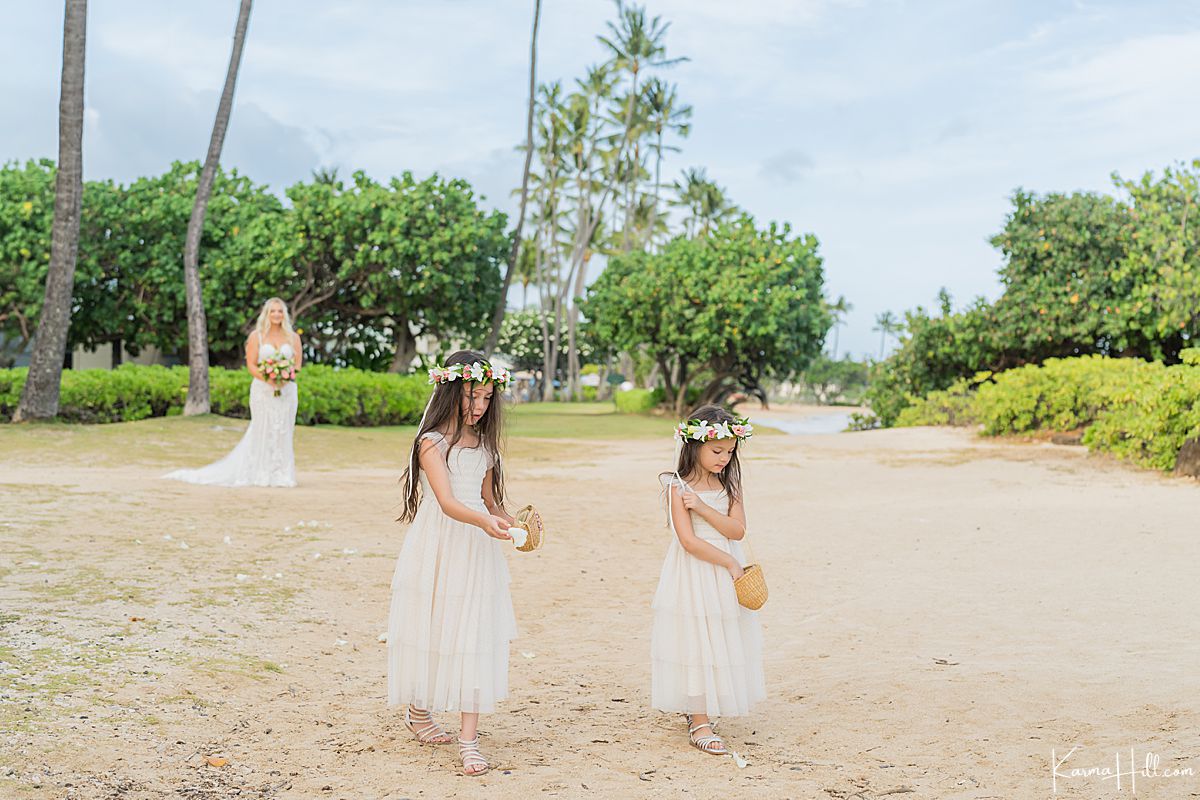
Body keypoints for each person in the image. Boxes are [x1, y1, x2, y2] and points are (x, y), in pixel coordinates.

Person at [387, 350, 517, 776]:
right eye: (470, 397)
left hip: (477, 549)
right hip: (441, 543)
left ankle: (469, 740)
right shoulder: (432, 442)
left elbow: (489, 500)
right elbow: (447, 501)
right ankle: (419, 712)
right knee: (437, 623)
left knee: (473, 631)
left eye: (485, 398)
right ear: (449, 392)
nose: (479, 408)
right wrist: (484, 521)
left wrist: (513, 522)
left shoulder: (484, 445)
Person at [651, 404, 766, 754]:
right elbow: (687, 541)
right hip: (695, 569)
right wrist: (728, 560)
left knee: (722, 634)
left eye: (730, 452)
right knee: (696, 639)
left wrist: (701, 507)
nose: (724, 459)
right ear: (694, 445)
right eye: (717, 451)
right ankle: (698, 719)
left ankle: (705, 707)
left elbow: (737, 528)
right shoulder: (677, 486)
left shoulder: (729, 483)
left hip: (724, 567)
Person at [164, 297, 300, 487]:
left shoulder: (293, 338)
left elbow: (298, 364)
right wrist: (269, 379)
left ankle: (282, 473)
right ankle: (261, 472)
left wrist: (285, 377)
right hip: (263, 390)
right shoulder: (257, 336)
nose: (276, 314)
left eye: (280, 311)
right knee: (263, 428)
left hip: (287, 392)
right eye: (273, 311)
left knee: (283, 429)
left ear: (284, 314)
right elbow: (251, 364)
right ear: (266, 314)